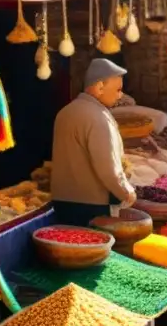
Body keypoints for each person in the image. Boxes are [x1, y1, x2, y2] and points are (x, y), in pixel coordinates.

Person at [51, 59, 136, 226]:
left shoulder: (64, 112)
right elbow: (108, 168)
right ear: (99, 87)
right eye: (118, 90)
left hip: (61, 202)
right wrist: (127, 192)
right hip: (91, 207)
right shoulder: (99, 118)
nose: (120, 96)